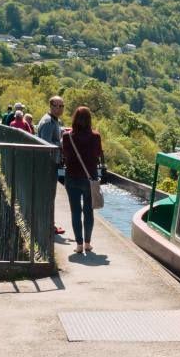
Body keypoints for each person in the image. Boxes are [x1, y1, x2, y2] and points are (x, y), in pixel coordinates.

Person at [61, 106, 104, 254]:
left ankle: (78, 245)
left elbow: (65, 155)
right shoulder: (96, 136)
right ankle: (87, 243)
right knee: (88, 211)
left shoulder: (67, 137)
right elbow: (98, 154)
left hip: (72, 177)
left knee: (75, 211)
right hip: (89, 178)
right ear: (89, 120)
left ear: (74, 120)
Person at [36, 95, 66, 236]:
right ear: (51, 106)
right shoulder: (48, 122)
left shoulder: (55, 121)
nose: (60, 109)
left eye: (62, 106)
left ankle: (48, 223)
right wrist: (60, 144)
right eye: (57, 106)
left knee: (50, 195)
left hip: (51, 163)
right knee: (49, 195)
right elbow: (44, 144)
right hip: (47, 164)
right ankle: (48, 225)